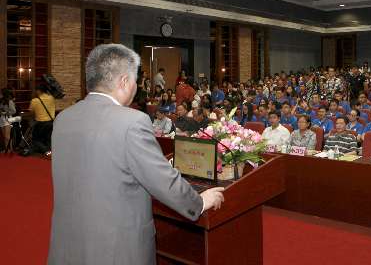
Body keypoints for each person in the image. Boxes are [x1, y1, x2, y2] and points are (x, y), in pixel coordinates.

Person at [48, 44, 224, 265]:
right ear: (124, 81)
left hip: (69, 244)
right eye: (135, 80)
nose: (137, 85)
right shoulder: (132, 122)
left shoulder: (64, 118)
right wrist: (198, 202)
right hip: (116, 249)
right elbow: (163, 181)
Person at [26, 84, 56, 156]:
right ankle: (49, 152)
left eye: (36, 90)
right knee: (48, 139)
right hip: (51, 122)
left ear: (39, 91)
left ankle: (46, 151)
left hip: (40, 123)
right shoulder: (52, 98)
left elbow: (31, 113)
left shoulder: (34, 101)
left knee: (36, 140)